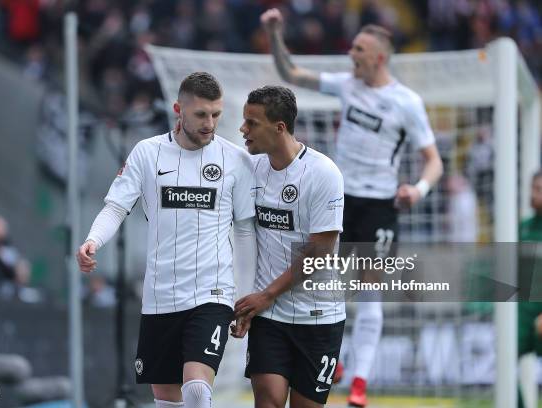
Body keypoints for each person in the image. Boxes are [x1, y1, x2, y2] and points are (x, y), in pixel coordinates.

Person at [260, 9, 444, 407]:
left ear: (378, 57)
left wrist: (420, 189)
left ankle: (358, 383)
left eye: (359, 49)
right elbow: (290, 74)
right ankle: (335, 361)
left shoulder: (406, 103)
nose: (351, 55)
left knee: (370, 291)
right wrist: (275, 32)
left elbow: (434, 160)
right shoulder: (346, 85)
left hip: (379, 205)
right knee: (323, 284)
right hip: (338, 201)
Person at [77, 72, 257, 408]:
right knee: (166, 398)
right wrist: (92, 241)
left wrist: (245, 295)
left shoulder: (235, 160)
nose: (210, 123)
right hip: (160, 295)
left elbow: (246, 231)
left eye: (216, 114)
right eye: (201, 114)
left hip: (212, 292)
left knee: (197, 388)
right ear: (178, 109)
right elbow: (116, 208)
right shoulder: (147, 153)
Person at [233, 85, 345, 408]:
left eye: (252, 123)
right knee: (267, 401)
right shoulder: (249, 167)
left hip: (319, 316)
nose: (243, 130)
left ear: (279, 127)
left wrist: (265, 294)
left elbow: (320, 253)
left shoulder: (324, 174)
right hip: (270, 315)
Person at [517, 170, 542, 408]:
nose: (533, 195)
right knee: (503, 357)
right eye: (532, 188)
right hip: (523, 316)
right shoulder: (522, 228)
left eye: (539, 190)